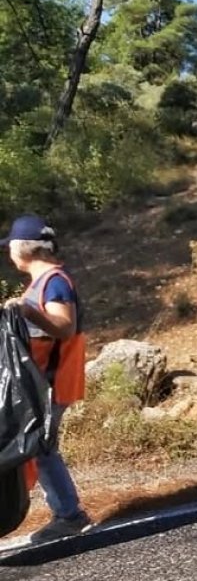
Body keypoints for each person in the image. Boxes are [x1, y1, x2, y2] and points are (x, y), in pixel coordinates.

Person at [2, 215, 91, 542]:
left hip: (52, 382)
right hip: (40, 384)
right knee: (36, 446)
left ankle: (70, 515)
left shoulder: (54, 281)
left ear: (23, 249)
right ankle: (65, 513)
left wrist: (28, 312)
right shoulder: (41, 283)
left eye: (10, 247)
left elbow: (65, 326)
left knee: (40, 446)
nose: (8, 254)